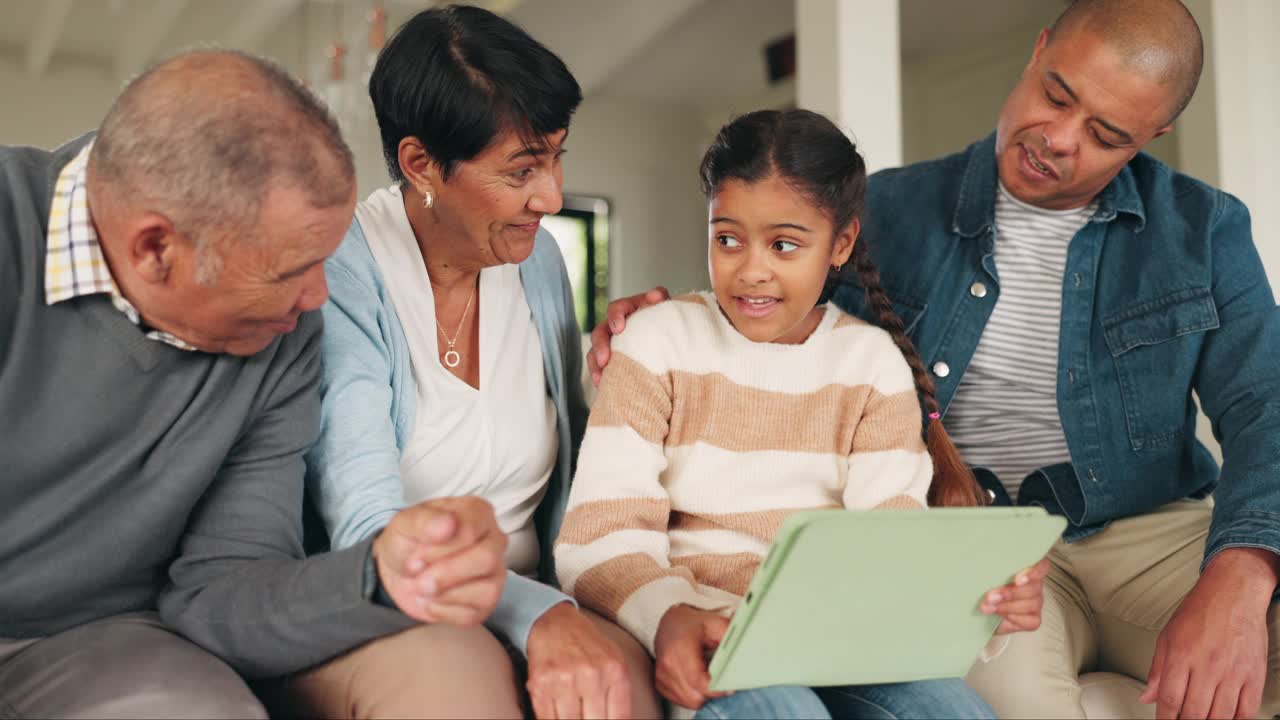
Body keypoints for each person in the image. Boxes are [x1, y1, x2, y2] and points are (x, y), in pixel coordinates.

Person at [588, 1, 1280, 718]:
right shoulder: (888, 211)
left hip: (1155, 534)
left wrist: (1242, 576)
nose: (1061, 139)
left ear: (1153, 134)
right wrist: (652, 323)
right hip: (979, 547)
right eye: (1056, 94)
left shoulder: (1205, 229)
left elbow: (1267, 403)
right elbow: (761, 309)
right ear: (1038, 49)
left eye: (1107, 135)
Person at [0, 50, 512, 718]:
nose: (317, 297)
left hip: (97, 644)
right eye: (290, 271)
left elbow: (226, 583)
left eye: (325, 262)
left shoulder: (282, 336)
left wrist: (382, 574)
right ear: (155, 249)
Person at [558, 109, 1050, 720]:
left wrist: (987, 602)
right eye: (727, 238)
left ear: (840, 244)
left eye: (784, 244)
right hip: (706, 633)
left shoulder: (871, 365)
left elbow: (891, 552)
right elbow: (597, 538)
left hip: (843, 642)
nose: (751, 269)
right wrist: (668, 617)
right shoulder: (657, 343)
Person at [283, 6, 658, 719]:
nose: (550, 197)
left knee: (629, 682)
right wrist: (539, 616)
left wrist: (631, 371)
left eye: (556, 157)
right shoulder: (342, 272)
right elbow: (370, 525)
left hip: (542, 589)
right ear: (421, 164)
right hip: (397, 601)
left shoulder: (538, 260)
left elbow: (570, 458)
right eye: (523, 169)